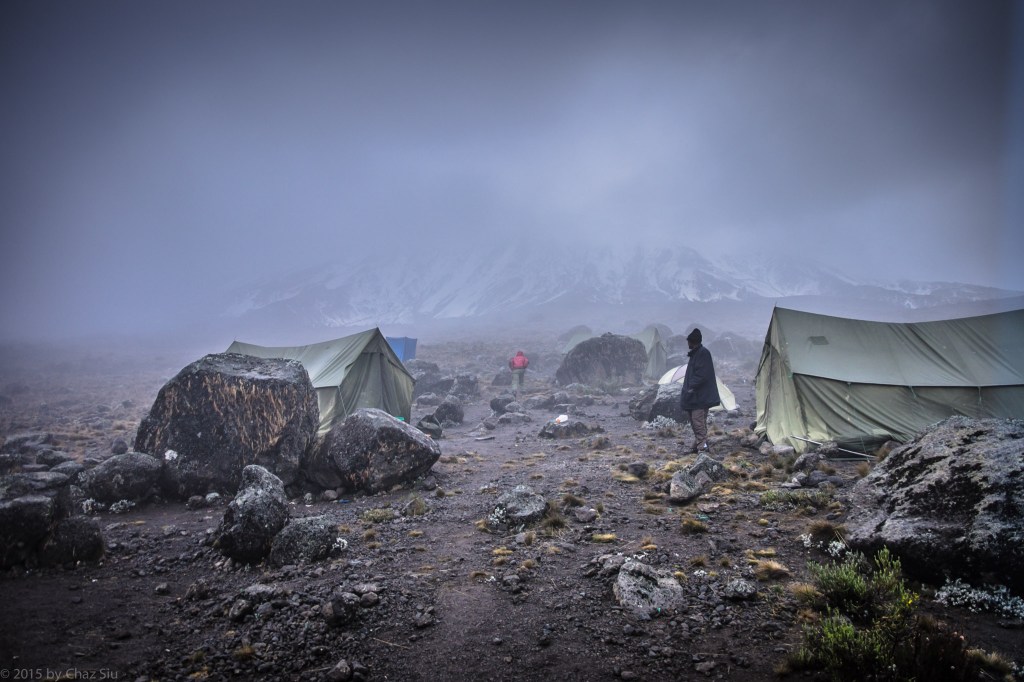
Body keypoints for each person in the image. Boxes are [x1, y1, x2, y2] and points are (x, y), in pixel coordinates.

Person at [680, 328, 720, 453]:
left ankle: (702, 447)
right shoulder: (696, 353)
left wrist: (691, 387)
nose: (687, 344)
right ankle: (698, 445)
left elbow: (701, 374)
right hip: (695, 396)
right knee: (696, 422)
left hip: (700, 396)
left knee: (698, 422)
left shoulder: (702, 353)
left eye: (688, 341)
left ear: (692, 341)